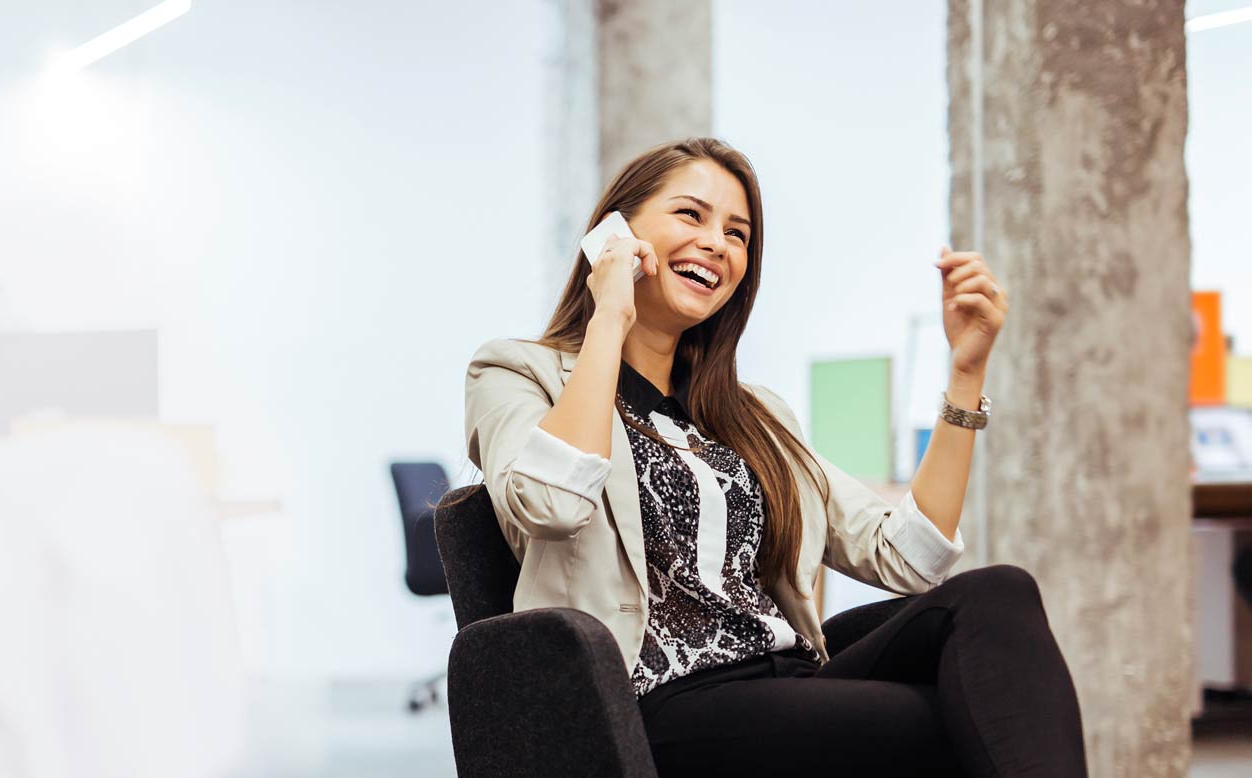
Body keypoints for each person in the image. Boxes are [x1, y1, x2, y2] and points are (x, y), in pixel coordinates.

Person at [462, 137, 1086, 776]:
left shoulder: (752, 414)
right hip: (658, 698)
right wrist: (609, 316)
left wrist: (966, 373)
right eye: (691, 215)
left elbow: (909, 556)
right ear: (616, 232)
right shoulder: (517, 372)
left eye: (738, 234)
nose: (717, 243)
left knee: (998, 595)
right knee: (964, 716)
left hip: (785, 672)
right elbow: (551, 503)